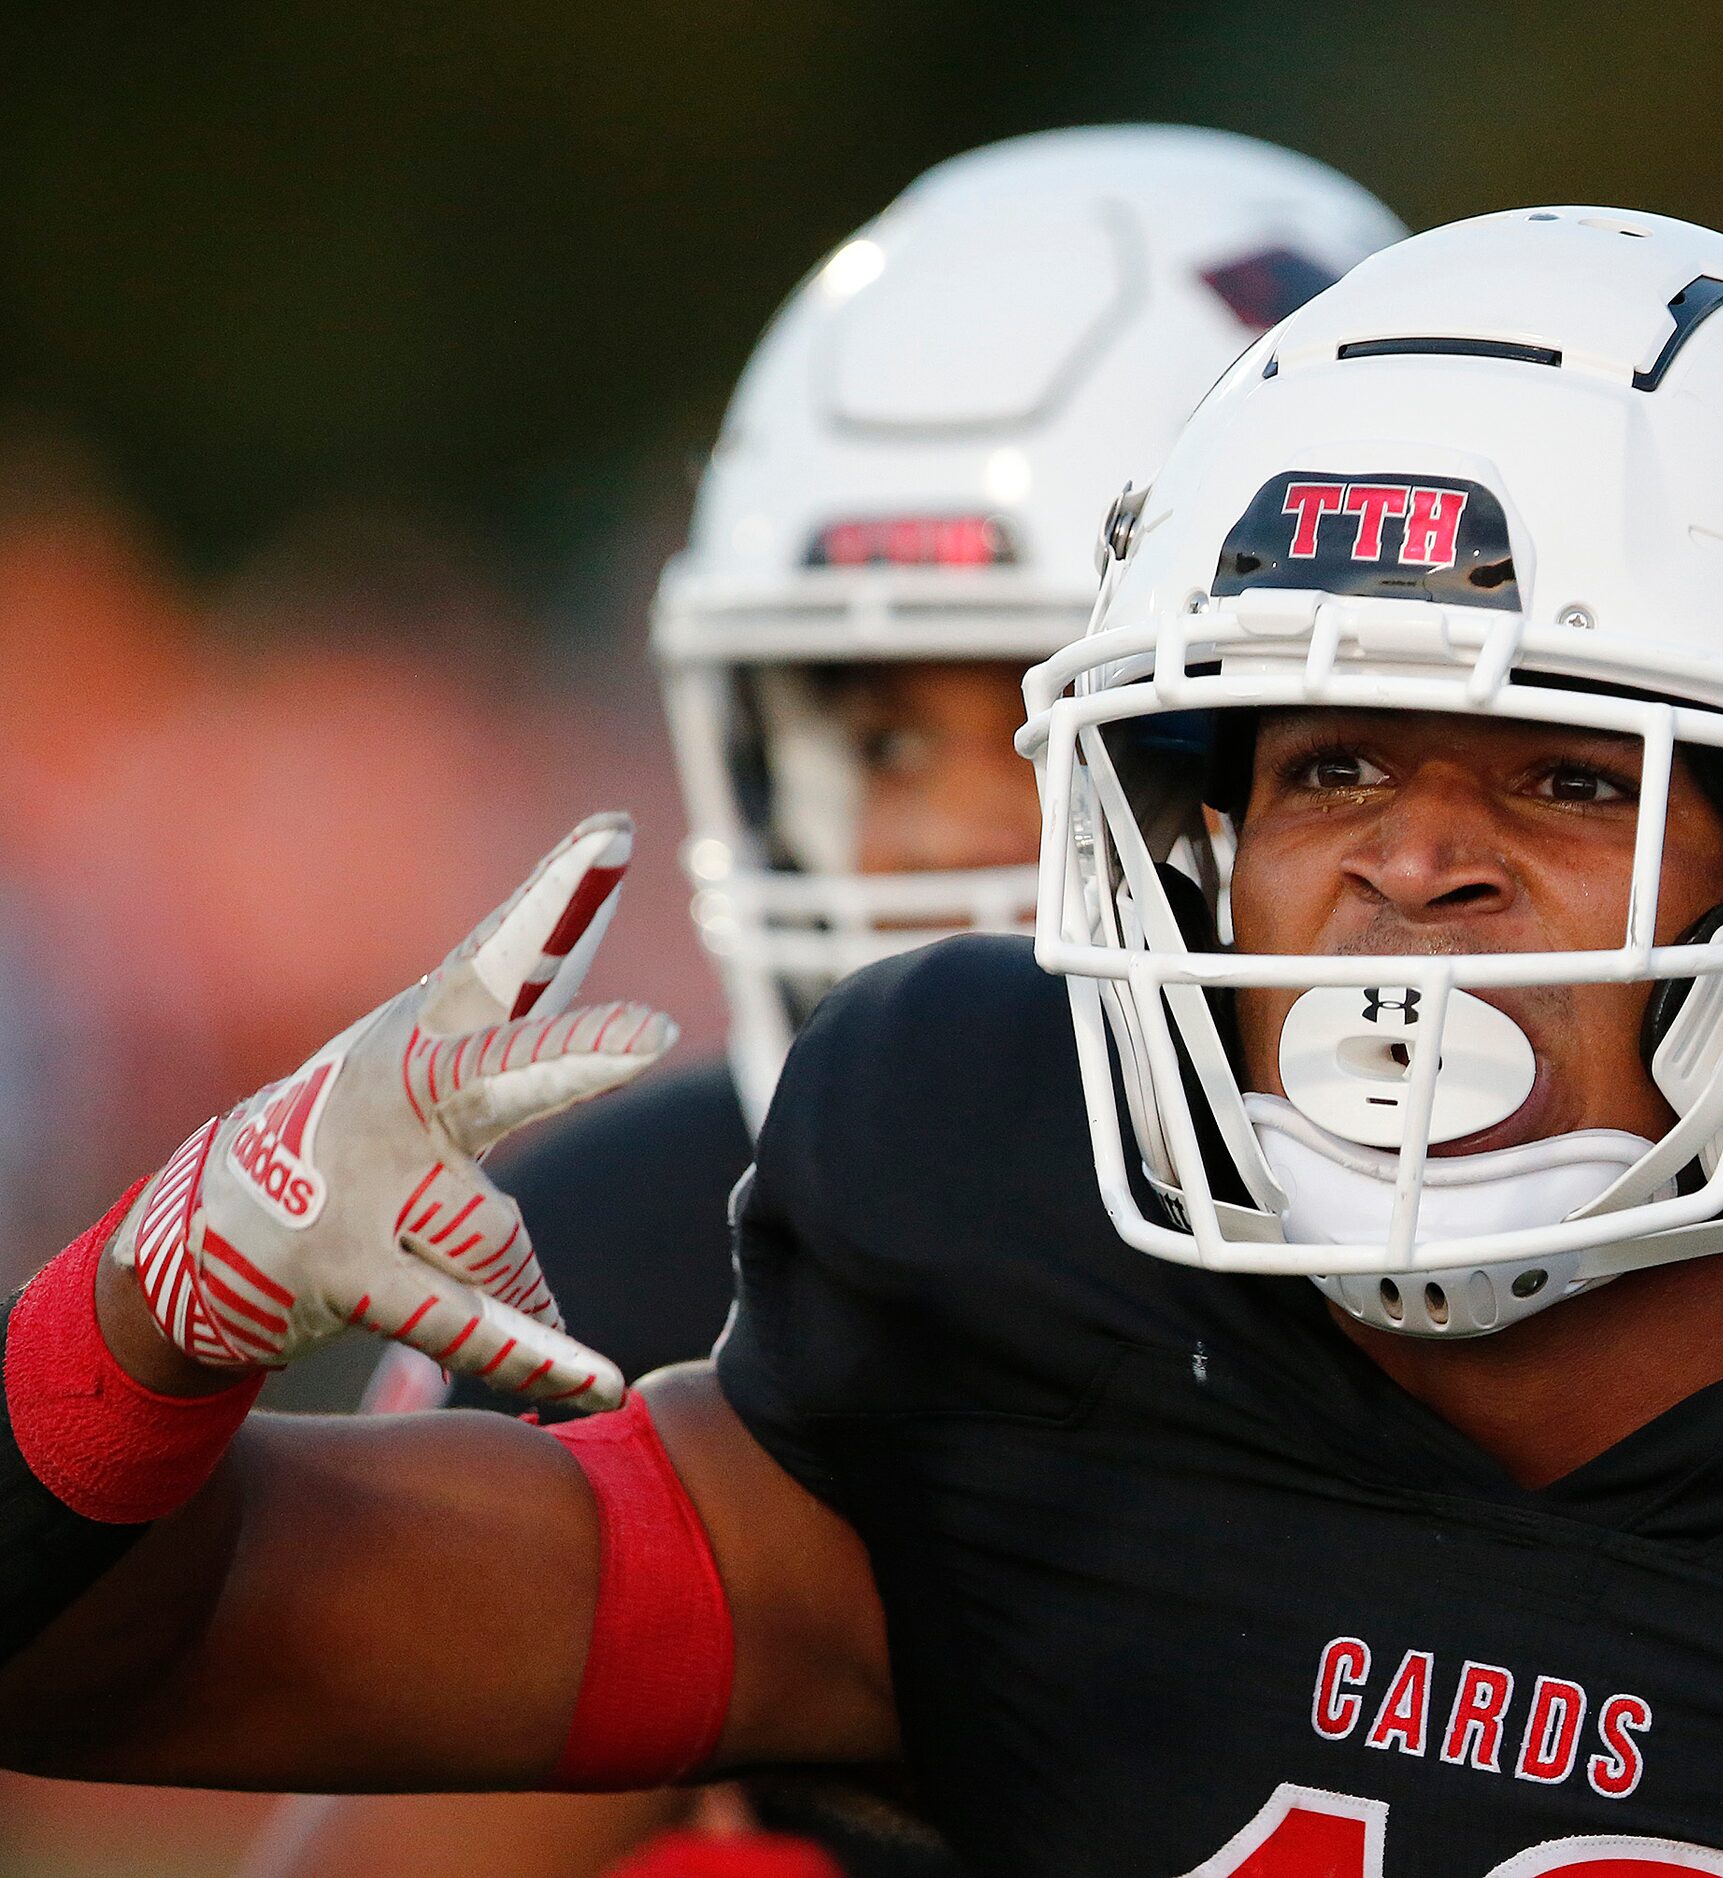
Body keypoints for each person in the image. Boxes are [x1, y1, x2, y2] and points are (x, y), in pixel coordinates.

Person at [1, 206, 1723, 1878]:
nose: (1400, 862)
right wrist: (133, 1329)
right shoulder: (1008, 1307)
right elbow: (138, 1663)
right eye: (1317, 755)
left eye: (1564, 775)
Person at [258, 124, 1407, 1878]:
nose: (945, 827)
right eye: (879, 736)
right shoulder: (643, 1243)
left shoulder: (1543, 1278)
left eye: (1049, 721)